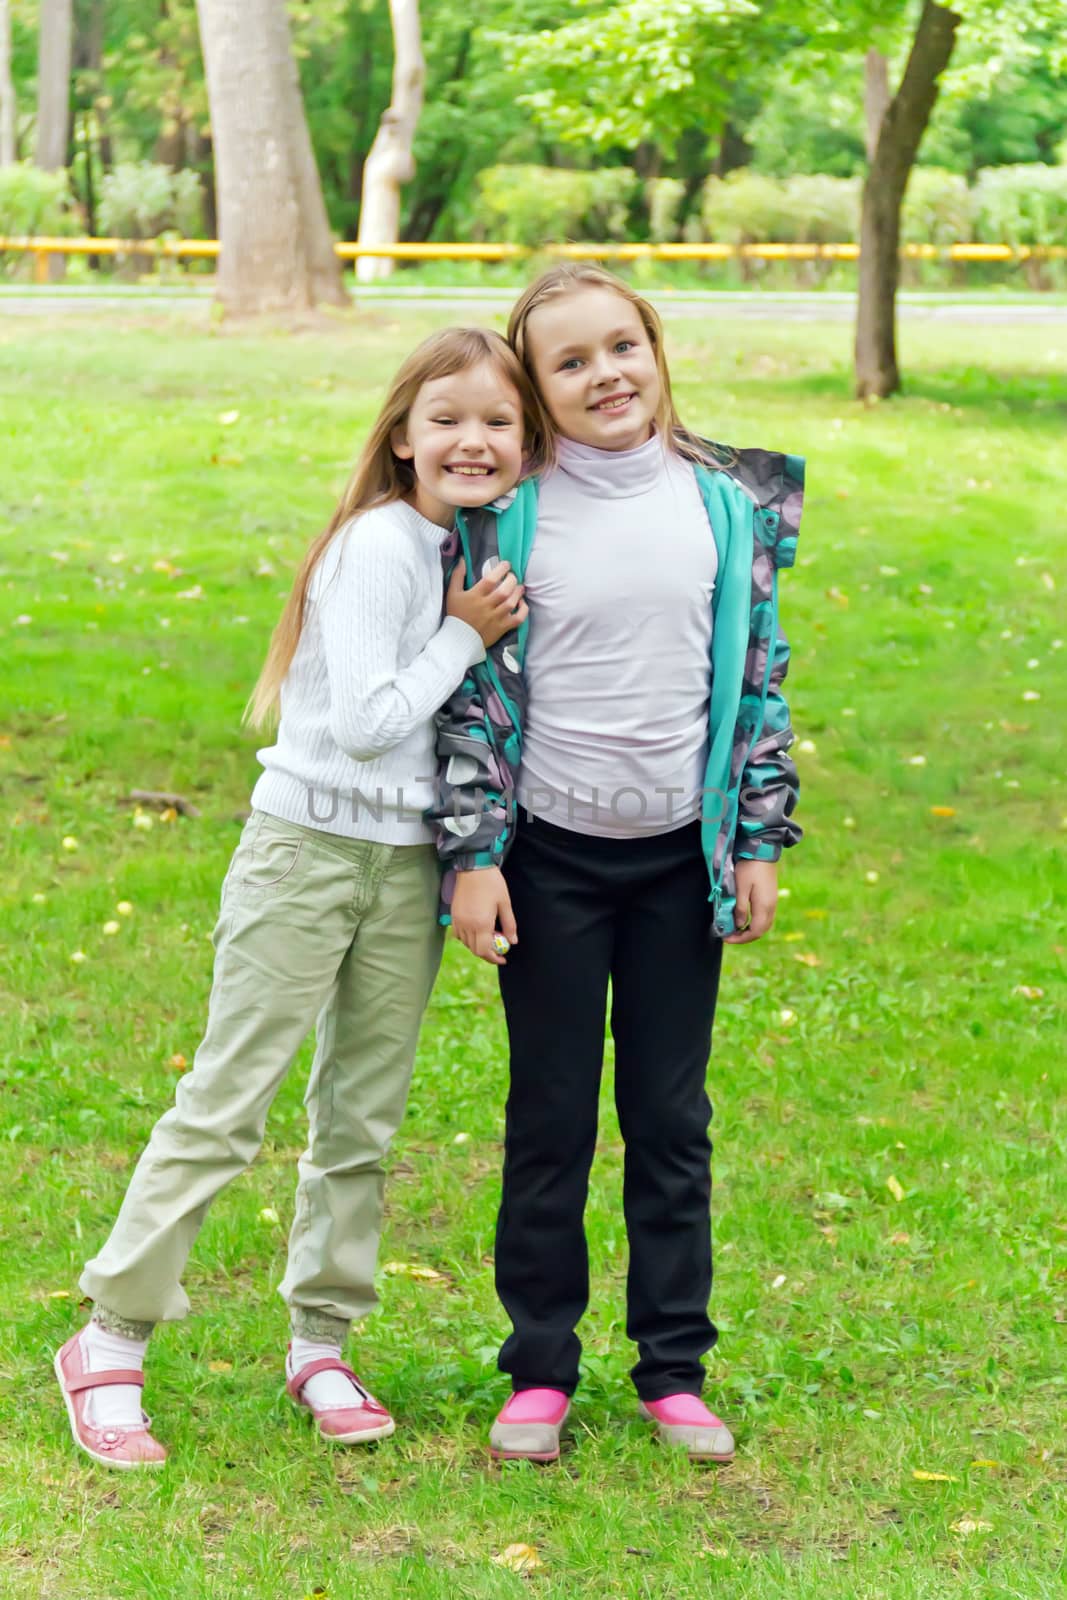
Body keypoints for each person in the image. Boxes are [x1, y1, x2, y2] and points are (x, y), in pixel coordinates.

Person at [55, 327, 536, 1469]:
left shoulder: (454, 548)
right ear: (403, 435)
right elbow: (371, 724)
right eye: (448, 418)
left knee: (360, 1120)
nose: (473, 439)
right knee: (228, 1102)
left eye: (498, 421)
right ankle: (110, 1339)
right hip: (307, 851)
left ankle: (321, 1340)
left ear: (526, 442)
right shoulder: (381, 548)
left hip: (404, 866)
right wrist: (463, 642)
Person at [429, 266, 805, 1463]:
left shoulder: (726, 506)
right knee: (548, 1115)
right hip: (548, 858)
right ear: (536, 389)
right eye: (570, 362)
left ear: (655, 346)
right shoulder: (512, 513)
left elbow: (755, 683)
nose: (606, 376)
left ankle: (673, 1368)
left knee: (667, 1114)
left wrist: (753, 836)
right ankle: (538, 1366)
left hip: (672, 866)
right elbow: (477, 695)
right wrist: (476, 854)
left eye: (620, 346)